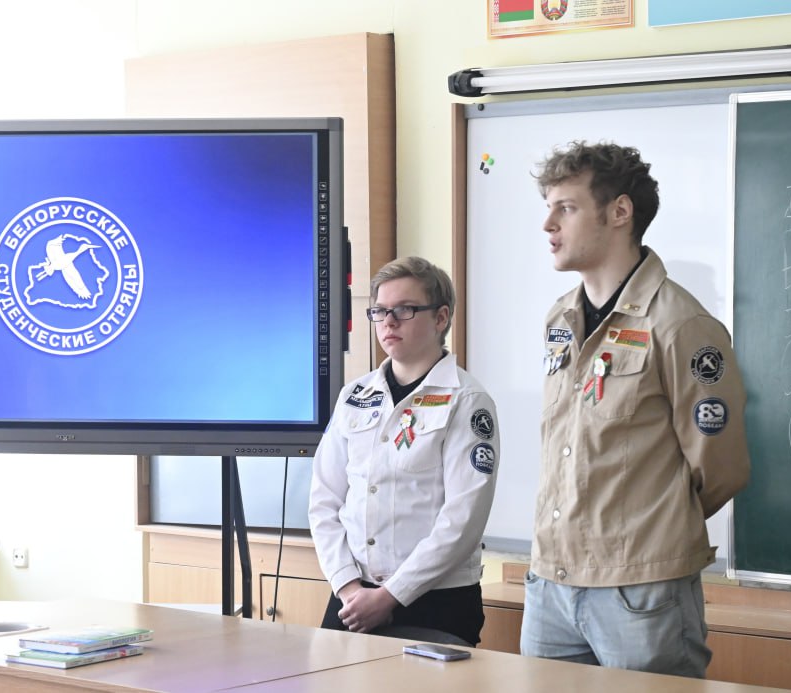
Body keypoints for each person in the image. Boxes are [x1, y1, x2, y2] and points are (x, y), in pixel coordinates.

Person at [519, 140, 751, 678]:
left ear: (619, 212)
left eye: (566, 208)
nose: (548, 224)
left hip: (641, 588)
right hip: (551, 581)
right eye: (548, 208)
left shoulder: (680, 323)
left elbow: (720, 467)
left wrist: (651, 525)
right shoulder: (560, 318)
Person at [308, 256, 500, 647]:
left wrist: (391, 596)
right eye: (380, 311)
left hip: (436, 599)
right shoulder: (354, 395)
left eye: (404, 309)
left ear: (441, 318)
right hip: (353, 596)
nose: (388, 322)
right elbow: (324, 501)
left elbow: (463, 520)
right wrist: (347, 587)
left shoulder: (467, 400)